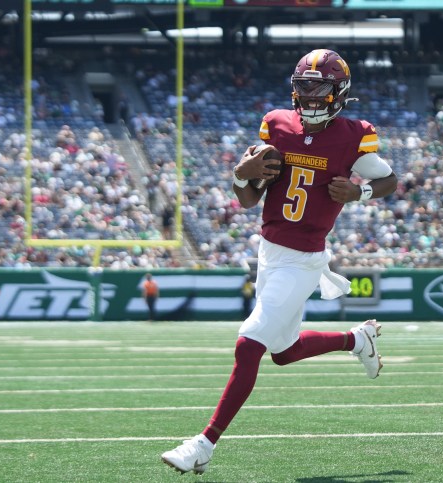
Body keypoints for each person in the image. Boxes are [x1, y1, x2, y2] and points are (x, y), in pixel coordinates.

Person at [161, 49, 399, 476]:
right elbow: (249, 198)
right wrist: (240, 173)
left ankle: (204, 443)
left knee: (248, 344)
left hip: (304, 258)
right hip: (268, 251)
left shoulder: (353, 135)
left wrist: (360, 193)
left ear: (338, 91)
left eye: (319, 86)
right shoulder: (277, 124)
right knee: (284, 352)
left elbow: (389, 180)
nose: (309, 95)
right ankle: (357, 340)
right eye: (303, 86)